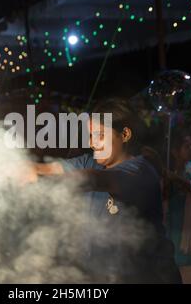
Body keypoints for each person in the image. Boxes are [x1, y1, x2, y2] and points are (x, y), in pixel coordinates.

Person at [33, 98, 181, 283]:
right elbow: (49, 169)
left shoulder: (140, 170)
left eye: (100, 135)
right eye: (91, 135)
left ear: (125, 134)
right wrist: (18, 167)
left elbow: (93, 179)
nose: (93, 143)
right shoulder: (90, 161)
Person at [164, 130, 191, 283]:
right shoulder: (166, 170)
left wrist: (182, 181)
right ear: (175, 151)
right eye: (186, 146)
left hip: (187, 229)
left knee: (189, 269)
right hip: (169, 225)